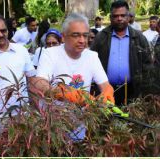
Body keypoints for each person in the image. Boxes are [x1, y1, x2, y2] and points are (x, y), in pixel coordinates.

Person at [34, 13, 113, 141]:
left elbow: (105, 85)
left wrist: (107, 93)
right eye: (76, 35)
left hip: (78, 123)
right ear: (64, 37)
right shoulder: (50, 54)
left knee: (77, 147)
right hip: (53, 124)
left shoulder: (92, 56)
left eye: (85, 35)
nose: (82, 40)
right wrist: (65, 93)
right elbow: (40, 83)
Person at [90, 0, 151, 106]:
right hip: (106, 90)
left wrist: (144, 89)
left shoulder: (139, 37)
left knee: (130, 120)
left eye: (123, 15)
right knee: (107, 120)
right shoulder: (101, 37)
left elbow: (147, 64)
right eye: (115, 16)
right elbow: (90, 61)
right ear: (110, 18)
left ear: (128, 17)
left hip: (132, 90)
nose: (119, 18)